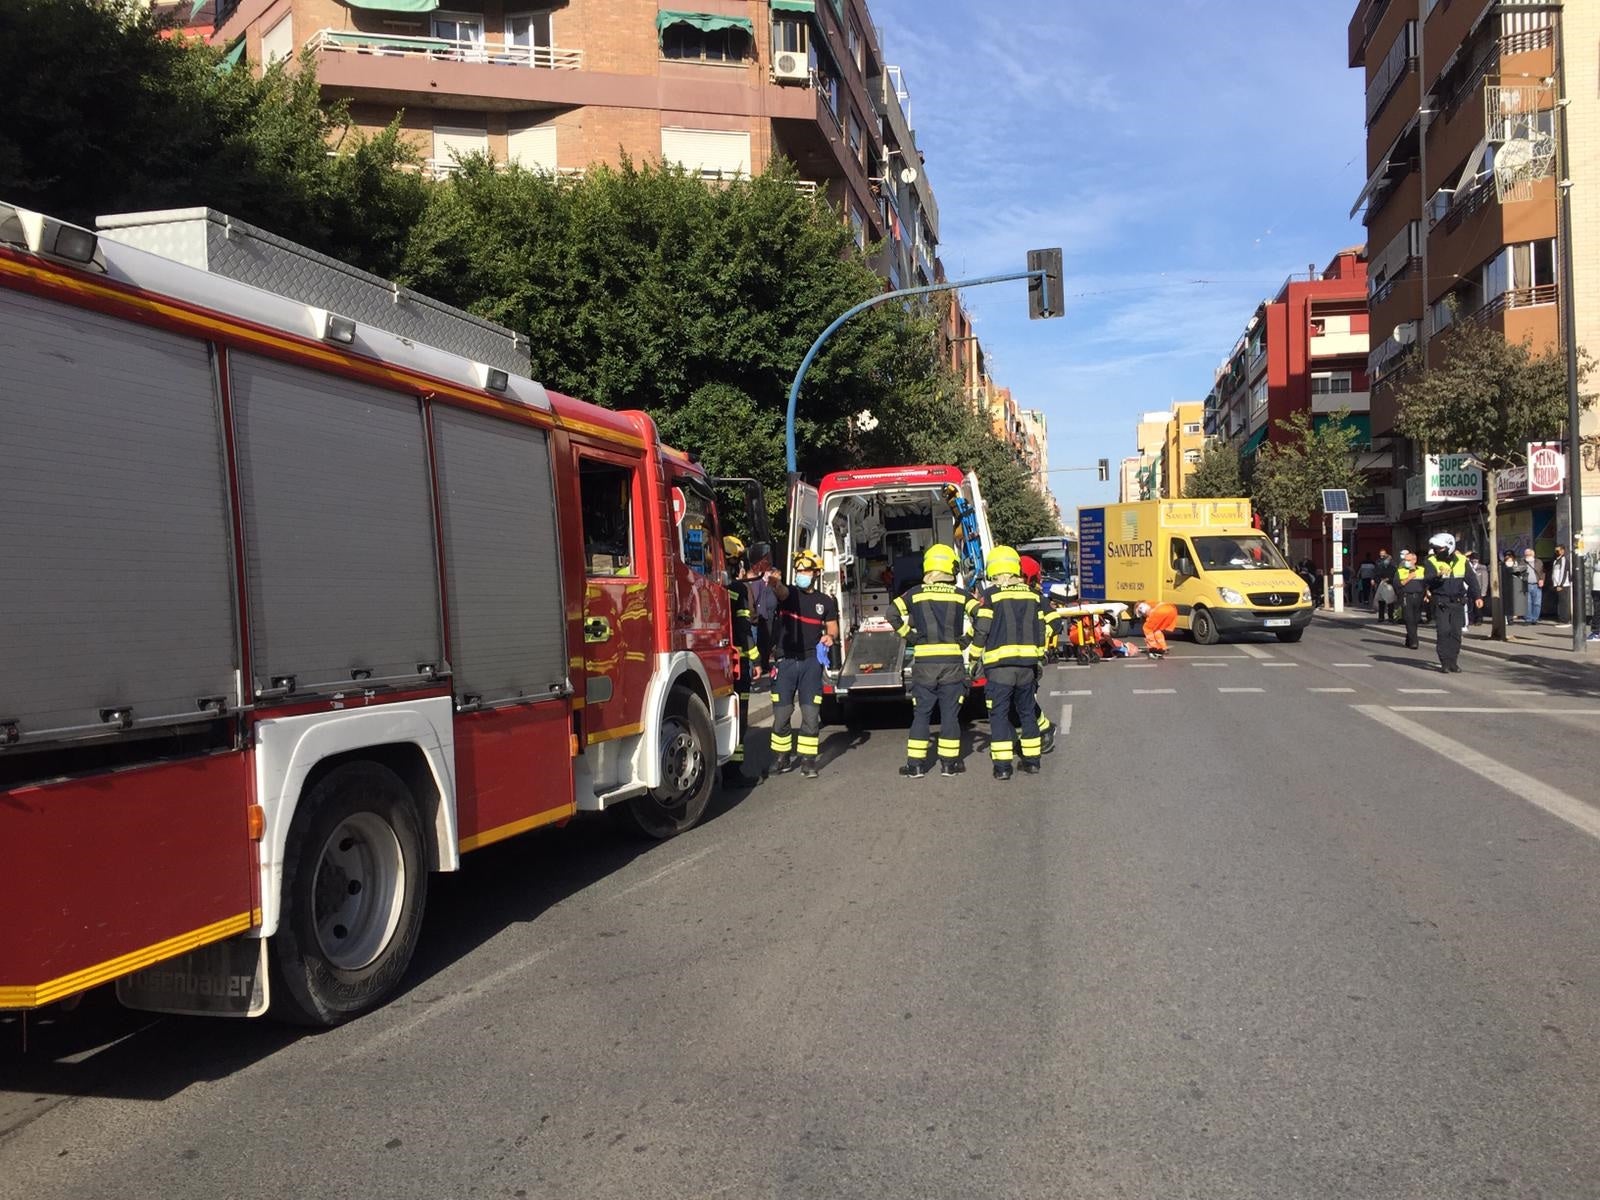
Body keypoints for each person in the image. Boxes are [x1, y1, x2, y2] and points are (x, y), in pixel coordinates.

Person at [892, 544, 969, 779]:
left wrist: (910, 635)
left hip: (924, 665)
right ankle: (949, 764)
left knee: (922, 714)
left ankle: (915, 765)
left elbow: (891, 614)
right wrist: (967, 640)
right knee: (949, 715)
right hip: (952, 664)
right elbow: (984, 615)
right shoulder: (960, 595)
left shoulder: (914, 593)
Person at [969, 546, 1046, 781]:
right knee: (1027, 714)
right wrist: (1039, 657)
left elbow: (982, 630)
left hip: (999, 669)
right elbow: (1040, 629)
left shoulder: (990, 596)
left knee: (999, 716)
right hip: (1026, 668)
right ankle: (1032, 762)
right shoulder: (1033, 596)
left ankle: (1003, 767)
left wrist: (973, 657)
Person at [766, 549, 838, 779]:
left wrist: (831, 637)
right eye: (798, 571)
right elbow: (781, 591)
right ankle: (782, 758)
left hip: (810, 663)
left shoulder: (825, 601)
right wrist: (775, 583)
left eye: (805, 571)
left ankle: (808, 761)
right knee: (782, 713)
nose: (800, 574)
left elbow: (833, 626)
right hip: (786, 661)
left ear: (815, 573)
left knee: (810, 714)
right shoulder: (790, 595)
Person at [722, 536, 761, 787]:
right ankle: (734, 774)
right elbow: (744, 628)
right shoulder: (737, 589)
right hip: (738, 664)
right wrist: (756, 660)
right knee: (739, 718)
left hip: (718, 662)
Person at [1424, 532, 1482, 672]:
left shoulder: (1462, 561)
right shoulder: (1431, 561)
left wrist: (1478, 597)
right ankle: (1444, 662)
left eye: (1440, 548)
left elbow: (1471, 580)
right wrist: (1438, 575)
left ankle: (1453, 662)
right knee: (1444, 632)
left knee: (1456, 633)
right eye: (1436, 549)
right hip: (1441, 602)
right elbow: (1427, 580)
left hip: (1457, 602)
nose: (1438, 551)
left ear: (1449, 547)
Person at [1396, 548, 1427, 649]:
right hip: (1407, 597)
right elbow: (1397, 584)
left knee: (1416, 619)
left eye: (1409, 560)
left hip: (1418, 597)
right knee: (1409, 619)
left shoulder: (1422, 570)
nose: (1406, 562)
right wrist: (1409, 577)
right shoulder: (1401, 571)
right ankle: (1414, 642)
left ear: (1415, 560)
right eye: (1405, 560)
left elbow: (1425, 583)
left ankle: (1409, 638)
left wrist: (1427, 593)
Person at [1465, 551, 1489, 626]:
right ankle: (1471, 619)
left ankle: (1479, 619)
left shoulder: (1482, 568)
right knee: (1470, 605)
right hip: (1469, 590)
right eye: (1473, 559)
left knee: (1478, 606)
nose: (1474, 560)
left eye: (1476, 559)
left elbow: (1485, 580)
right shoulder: (1468, 567)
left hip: (1479, 590)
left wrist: (1483, 592)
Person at [1522, 548, 1544, 624]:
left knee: (1537, 603)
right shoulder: (1522, 562)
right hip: (1526, 585)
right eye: (1526, 554)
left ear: (1533, 554)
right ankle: (1528, 619)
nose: (1527, 556)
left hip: (1536, 585)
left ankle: (1535, 619)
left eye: (1528, 554)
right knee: (1527, 603)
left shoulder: (1538, 562)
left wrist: (1542, 579)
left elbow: (1542, 572)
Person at [1373, 549, 1397, 622]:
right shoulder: (1380, 565)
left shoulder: (1393, 567)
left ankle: (1390, 617)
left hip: (1389, 585)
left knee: (1390, 602)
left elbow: (1395, 576)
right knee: (1381, 601)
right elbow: (1376, 573)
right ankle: (1381, 617)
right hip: (1381, 584)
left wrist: (1389, 579)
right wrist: (1377, 580)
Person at [1550, 544, 1571, 624]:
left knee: (1563, 602)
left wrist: (1560, 585)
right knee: (1560, 602)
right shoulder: (1556, 561)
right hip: (1556, 585)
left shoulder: (1563, 559)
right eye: (1555, 551)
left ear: (1562, 551)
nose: (1556, 552)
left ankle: (1565, 620)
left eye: (1558, 551)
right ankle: (1561, 618)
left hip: (1563, 585)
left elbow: (1563, 572)